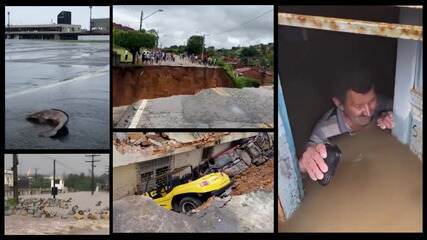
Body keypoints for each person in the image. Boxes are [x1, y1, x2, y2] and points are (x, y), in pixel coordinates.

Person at [299, 68, 394, 181]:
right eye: (358, 106)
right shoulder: (324, 131)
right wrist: (302, 165)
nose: (368, 112)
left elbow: (400, 108)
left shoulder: (380, 103)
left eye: (372, 101)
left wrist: (391, 117)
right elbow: (304, 165)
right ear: (339, 103)